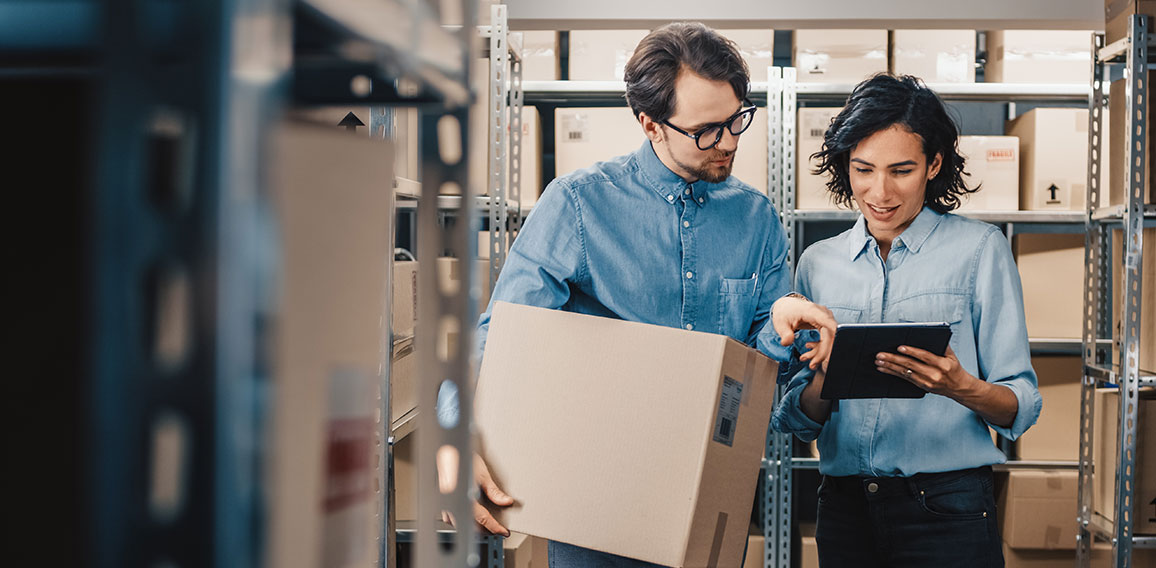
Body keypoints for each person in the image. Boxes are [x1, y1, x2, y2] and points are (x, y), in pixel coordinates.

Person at [437, 22, 838, 567]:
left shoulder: (758, 220)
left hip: (711, 500)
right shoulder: (579, 205)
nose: (729, 143)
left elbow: (757, 377)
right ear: (650, 123)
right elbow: (502, 335)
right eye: (706, 130)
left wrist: (782, 327)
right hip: (597, 508)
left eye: (737, 120)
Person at [771, 74, 1043, 568]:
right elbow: (794, 419)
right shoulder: (816, 262)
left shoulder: (981, 251)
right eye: (863, 169)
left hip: (947, 508)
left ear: (933, 164)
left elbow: (1020, 406)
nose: (880, 192)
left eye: (901, 170)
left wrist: (960, 386)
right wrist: (825, 379)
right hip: (844, 507)